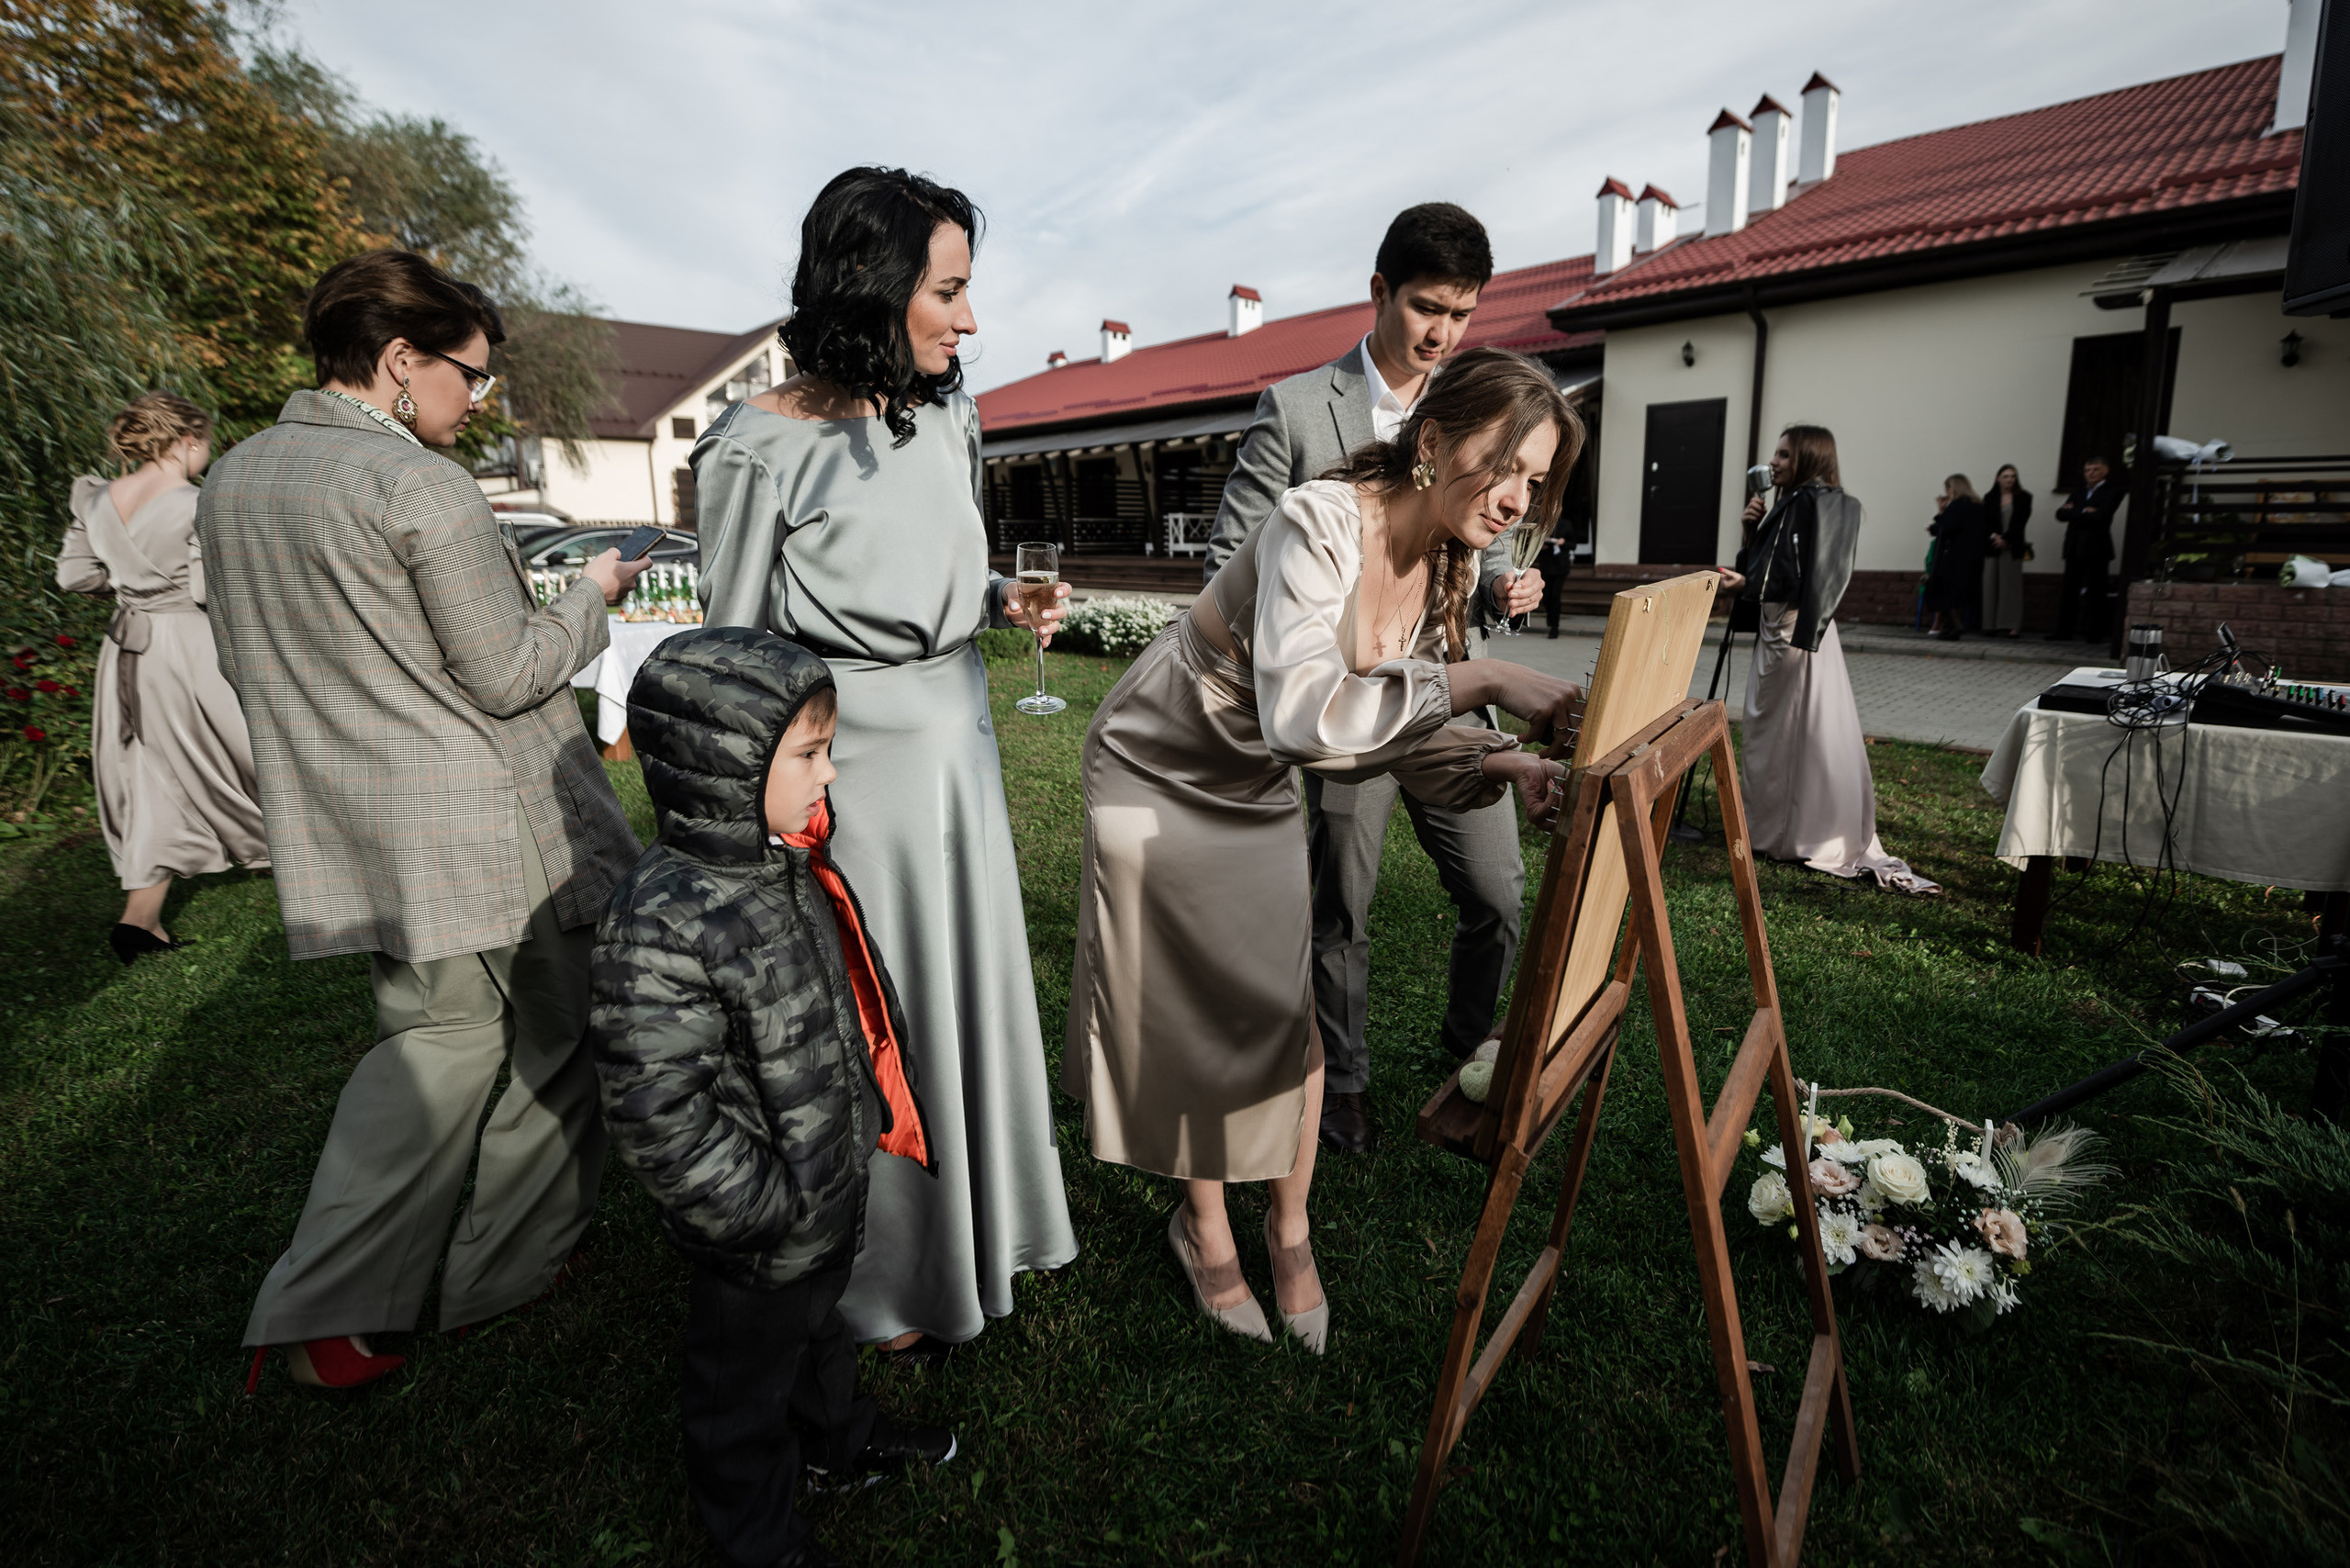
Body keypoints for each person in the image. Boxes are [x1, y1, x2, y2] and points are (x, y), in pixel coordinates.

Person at [1065, 348, 1583, 1350]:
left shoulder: (1450, 552)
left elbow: (1385, 724)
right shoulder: (1317, 519)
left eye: (1536, 477)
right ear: (1431, 443)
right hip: (1162, 761)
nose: (1517, 496)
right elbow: (1309, 716)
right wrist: (1483, 682)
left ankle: (1289, 1226)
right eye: (1503, 463)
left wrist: (1502, 766)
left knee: (1280, 1007)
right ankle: (1206, 1228)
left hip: (1251, 775)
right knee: (1186, 1015)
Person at [205, 250, 649, 1391]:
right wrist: (586, 601)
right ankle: (499, 1268)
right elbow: (505, 675)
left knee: (434, 1047)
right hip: (500, 827)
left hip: (360, 823)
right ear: (400, 362)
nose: (478, 399)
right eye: (471, 376)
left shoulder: (238, 478)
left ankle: (331, 1311)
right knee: (569, 1045)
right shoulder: (420, 487)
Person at [695, 167, 1078, 1361]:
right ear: (873, 287)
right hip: (851, 786)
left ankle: (990, 1231)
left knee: (965, 1000)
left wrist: (1005, 593)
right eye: (950, 291)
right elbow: (733, 648)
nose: (970, 321)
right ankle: (888, 1279)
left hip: (958, 751)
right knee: (878, 1028)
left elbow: (947, 571)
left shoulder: (949, 413)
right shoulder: (753, 448)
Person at [591, 626, 954, 1568]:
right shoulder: (664, 918)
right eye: (808, 753)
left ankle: (836, 1440)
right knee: (739, 1396)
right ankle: (756, 1539)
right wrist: (764, 1207)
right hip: (757, 1228)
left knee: (819, 1334)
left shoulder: (780, 865)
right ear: (721, 765)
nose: (830, 773)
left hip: (819, 1193)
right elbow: (658, 1110)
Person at [1202, 203, 1544, 1158]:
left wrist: (1505, 584)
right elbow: (1233, 557)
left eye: (1461, 315)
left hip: (1446, 689)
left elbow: (1485, 534)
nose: (1441, 334)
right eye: (1426, 308)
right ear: (1379, 291)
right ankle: (1343, 1080)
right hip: (1340, 706)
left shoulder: (1480, 398)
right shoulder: (1300, 407)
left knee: (1499, 890)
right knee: (1342, 902)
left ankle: (1472, 1050)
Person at [55, 391, 269, 963]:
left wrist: (132, 588)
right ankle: (331, 852)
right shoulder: (198, 504)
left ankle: (140, 921)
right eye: (208, 445)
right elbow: (207, 591)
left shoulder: (97, 498)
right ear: (189, 441)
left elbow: (74, 576)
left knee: (148, 769)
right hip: (185, 647)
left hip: (125, 646)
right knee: (247, 750)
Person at [1717, 425, 1939, 895]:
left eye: (1783, 454)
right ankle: (1775, 827)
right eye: (1774, 454)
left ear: (1809, 457)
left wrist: (1745, 587)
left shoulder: (1815, 502)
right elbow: (1773, 569)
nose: (1772, 462)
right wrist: (1750, 530)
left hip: (1795, 636)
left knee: (1796, 732)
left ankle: (1795, 832)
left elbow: (1802, 579)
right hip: (1779, 631)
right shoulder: (1790, 504)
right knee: (1773, 732)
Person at [2053, 455, 2122, 642]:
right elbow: (2060, 514)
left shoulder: (2112, 491)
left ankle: (2095, 633)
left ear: (2105, 470)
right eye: (2087, 470)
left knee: (2096, 591)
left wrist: (2075, 511)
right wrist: (2085, 510)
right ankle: (2064, 631)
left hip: (2097, 548)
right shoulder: (2078, 492)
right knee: (2069, 589)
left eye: (2095, 470)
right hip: (2074, 546)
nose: (2090, 474)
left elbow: (2102, 516)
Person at [1922, 475, 1986, 641]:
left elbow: (1947, 528)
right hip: (1972, 557)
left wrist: (1933, 527)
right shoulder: (1977, 505)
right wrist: (1942, 512)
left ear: (1953, 488)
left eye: (1947, 490)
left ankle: (1954, 627)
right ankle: (1951, 628)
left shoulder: (1959, 506)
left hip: (1954, 557)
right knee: (1957, 595)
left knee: (1947, 593)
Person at [1980, 464, 2031, 637]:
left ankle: (2011, 625)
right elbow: (1985, 522)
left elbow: (2020, 522)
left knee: (2011, 586)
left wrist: (2007, 539)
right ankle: (1990, 624)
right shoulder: (1989, 497)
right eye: (2006, 476)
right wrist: (1995, 537)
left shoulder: (2024, 497)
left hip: (2012, 546)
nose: (2010, 480)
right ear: (1998, 478)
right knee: (1990, 584)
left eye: (2013, 477)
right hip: (1993, 546)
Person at [1539, 517, 1575, 637]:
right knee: (1546, 596)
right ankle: (1550, 616)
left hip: (1561, 566)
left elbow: (1573, 544)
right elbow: (1534, 541)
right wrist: (1541, 546)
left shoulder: (1566, 524)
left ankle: (1555, 627)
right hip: (1546, 564)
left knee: (1555, 595)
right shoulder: (1543, 523)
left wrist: (1564, 543)